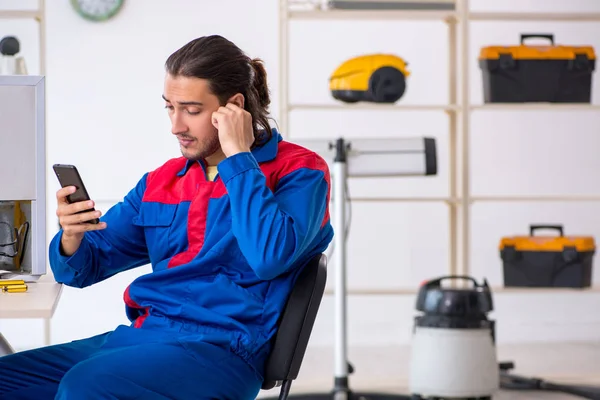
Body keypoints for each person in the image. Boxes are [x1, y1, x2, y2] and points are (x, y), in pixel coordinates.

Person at [0, 35, 334, 400]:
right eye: (169, 108)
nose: (176, 126)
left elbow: (270, 257)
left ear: (233, 107)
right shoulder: (162, 181)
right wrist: (72, 235)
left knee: (86, 385)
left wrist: (239, 157)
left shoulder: (300, 172)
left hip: (222, 354)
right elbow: (81, 270)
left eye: (191, 110)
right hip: (143, 338)